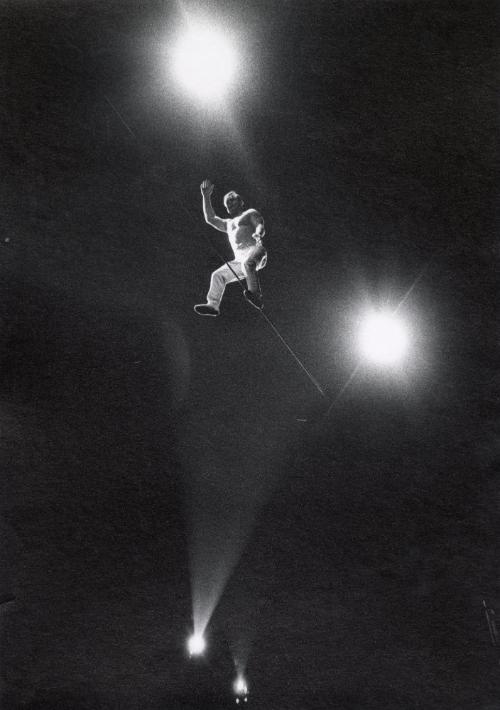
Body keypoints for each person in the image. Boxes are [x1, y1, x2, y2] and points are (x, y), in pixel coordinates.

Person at [194, 178, 267, 316]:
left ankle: (256, 295)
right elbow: (210, 218)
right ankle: (213, 305)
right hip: (239, 260)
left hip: (255, 250)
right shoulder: (227, 224)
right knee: (217, 275)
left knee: (248, 263)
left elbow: (259, 224)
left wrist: (258, 234)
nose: (230, 203)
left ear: (240, 201)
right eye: (227, 203)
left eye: (232, 200)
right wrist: (206, 196)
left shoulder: (249, 213)